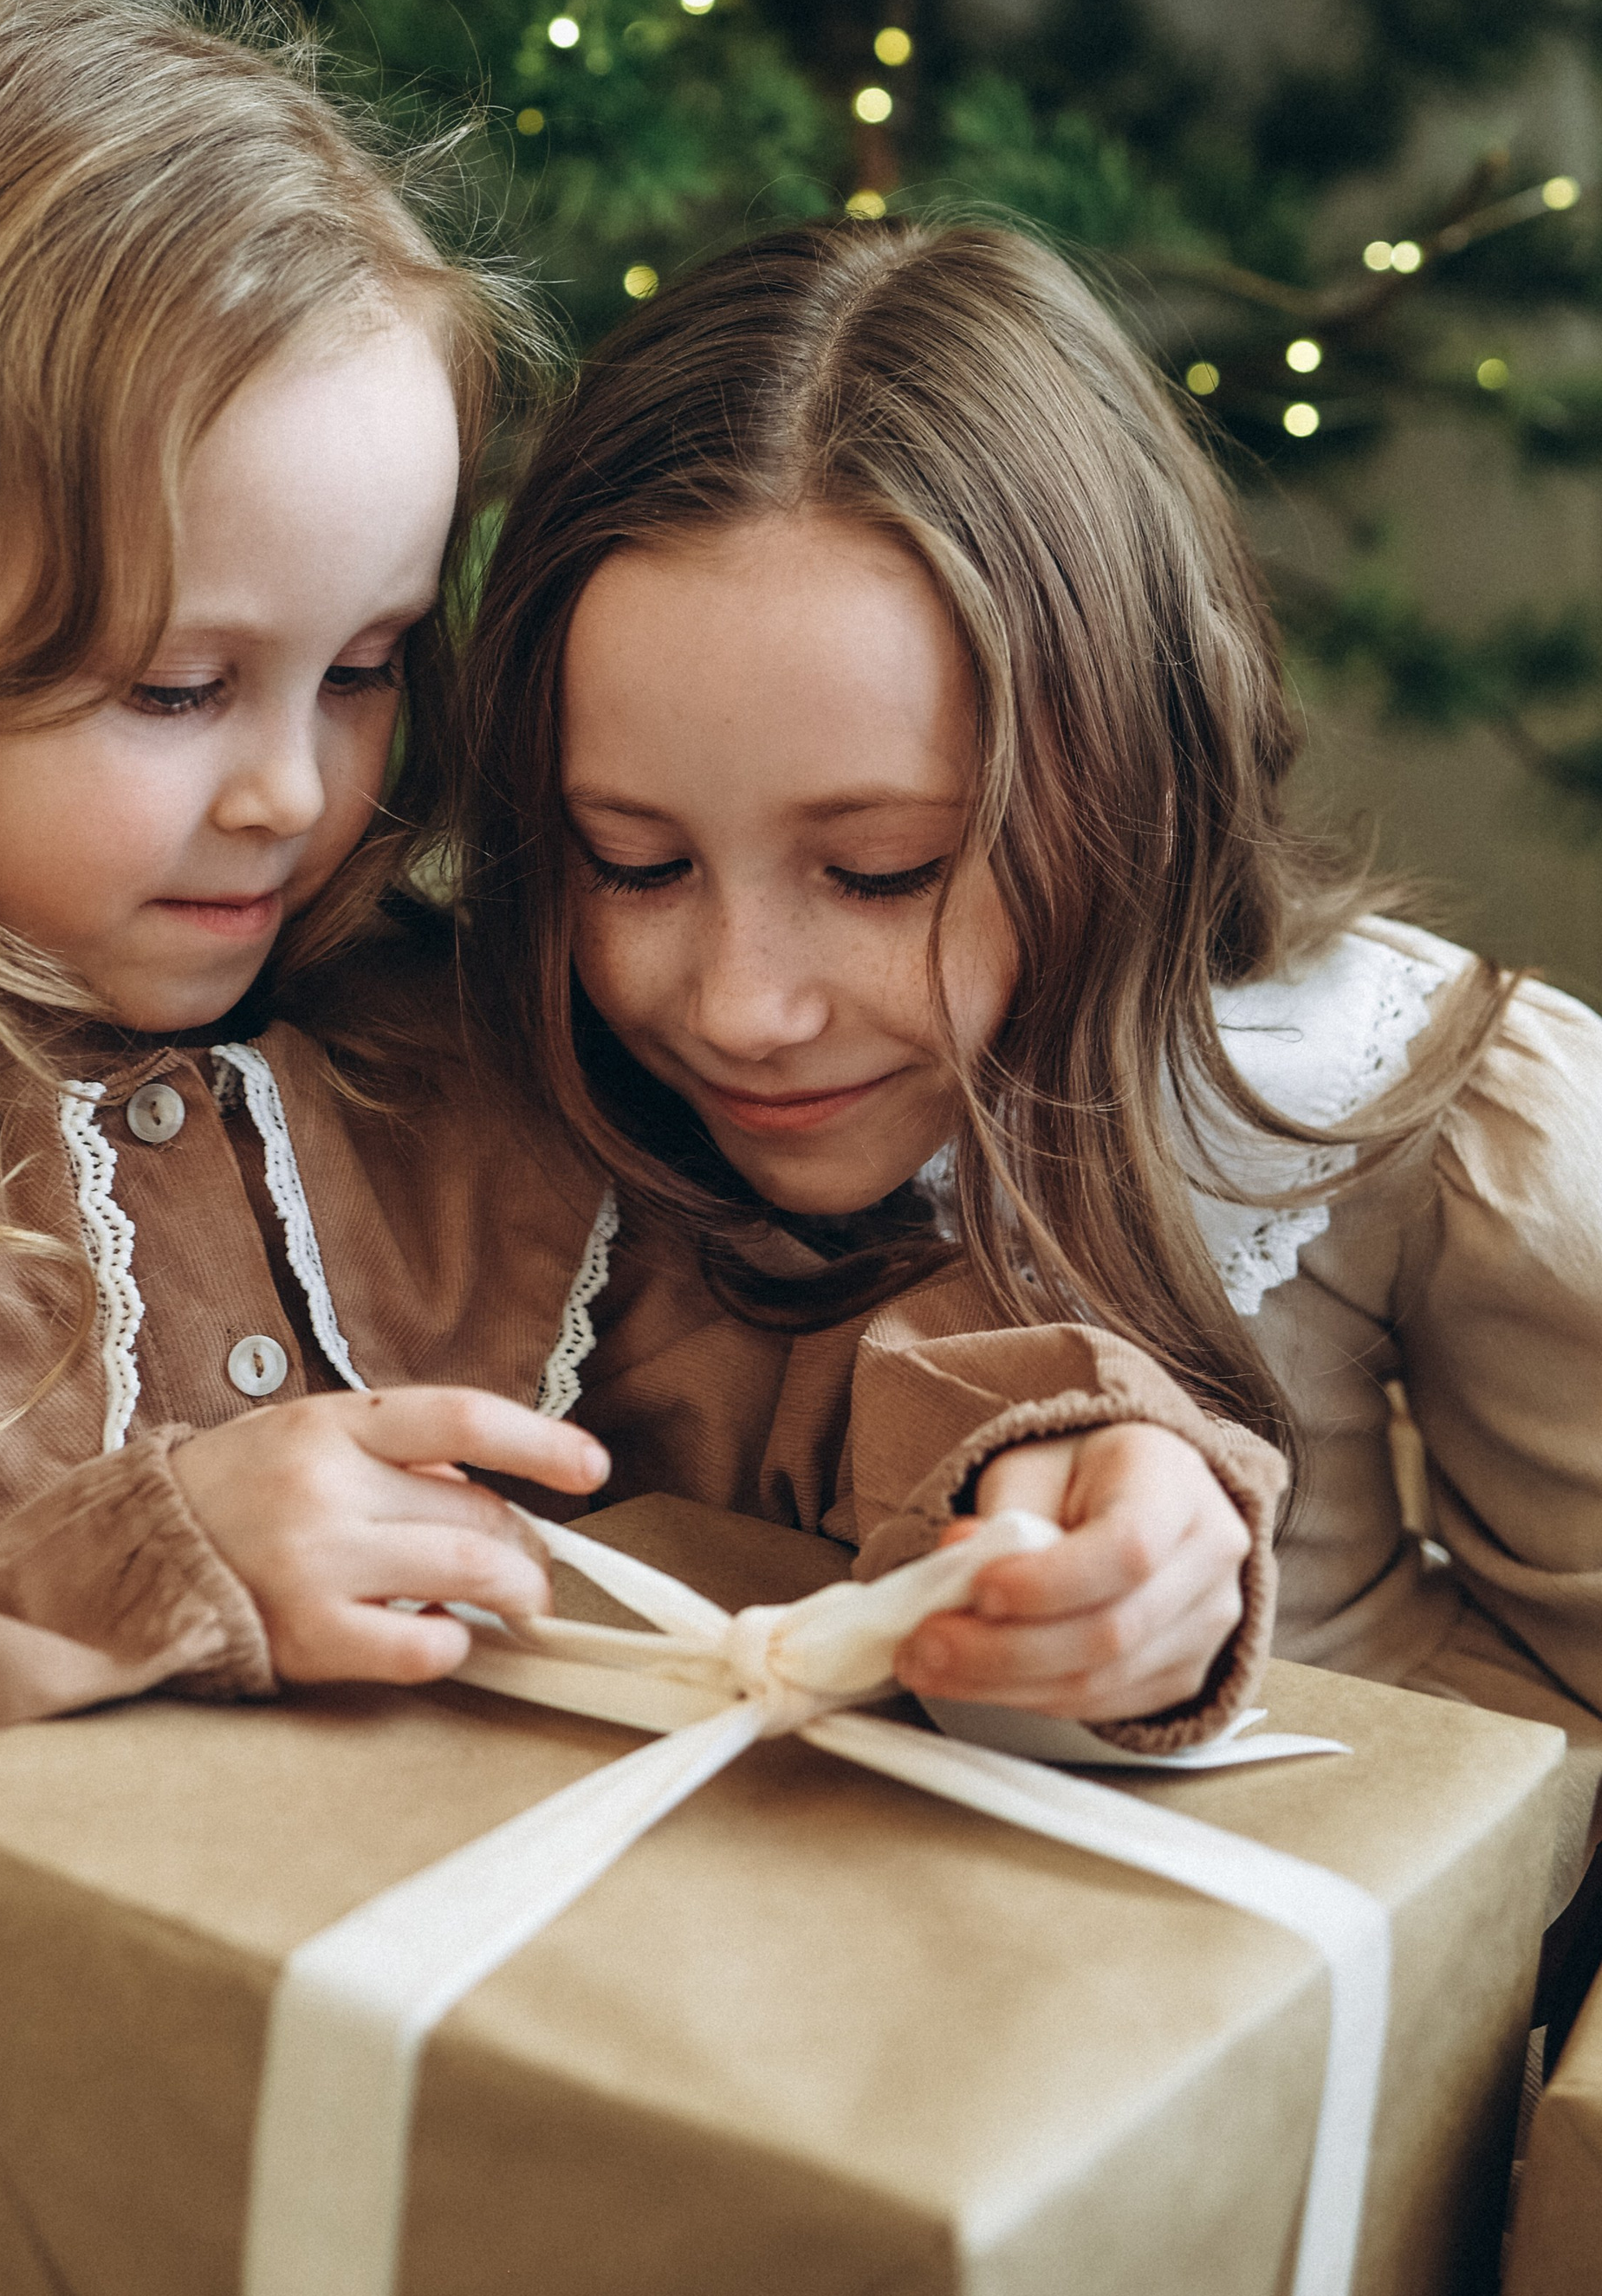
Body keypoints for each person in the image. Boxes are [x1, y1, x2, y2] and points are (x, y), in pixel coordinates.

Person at [0, 0, 1276, 2296]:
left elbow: (841, 1367)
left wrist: (1087, 1500)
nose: (296, 789)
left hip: (409, 2256)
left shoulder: (465, 1065)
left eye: (373, 667)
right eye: (177, 686)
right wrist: (118, 1583)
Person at [455, 211, 1602, 1958]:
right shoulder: (511, 1092)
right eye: (631, 863)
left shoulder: (1415, 1114)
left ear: (1129, 780)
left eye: (881, 872)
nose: (744, 1009)